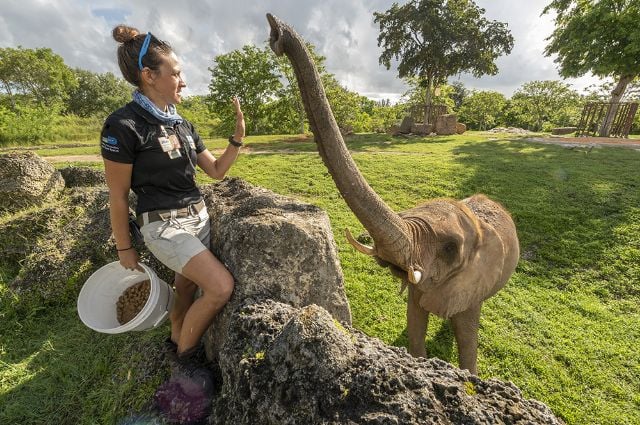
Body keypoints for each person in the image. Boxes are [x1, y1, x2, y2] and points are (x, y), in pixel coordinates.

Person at [101, 25, 244, 361]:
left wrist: (236, 139)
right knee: (220, 287)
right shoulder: (122, 125)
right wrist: (124, 248)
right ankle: (186, 359)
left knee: (187, 288)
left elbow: (216, 171)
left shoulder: (181, 124)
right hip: (164, 226)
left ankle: (176, 338)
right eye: (176, 73)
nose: (184, 81)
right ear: (149, 76)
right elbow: (118, 195)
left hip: (199, 218)